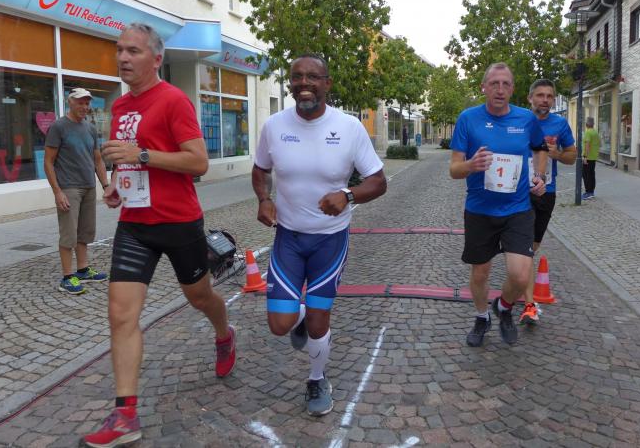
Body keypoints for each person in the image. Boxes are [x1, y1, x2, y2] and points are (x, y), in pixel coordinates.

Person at [83, 23, 235, 448]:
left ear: (156, 58)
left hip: (178, 221)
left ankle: (224, 334)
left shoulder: (173, 100)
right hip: (135, 225)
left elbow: (198, 162)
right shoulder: (119, 106)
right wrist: (117, 184)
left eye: (132, 51)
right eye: (119, 50)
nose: (123, 58)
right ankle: (125, 416)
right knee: (120, 315)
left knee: (200, 297)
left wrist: (143, 155)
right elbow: (126, 159)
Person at [253, 54, 387, 416]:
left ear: (327, 84)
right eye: (297, 77)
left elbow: (378, 181)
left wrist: (348, 195)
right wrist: (264, 199)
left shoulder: (348, 127)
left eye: (313, 77)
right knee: (280, 324)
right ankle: (297, 317)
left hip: (330, 239)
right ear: (290, 83)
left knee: (318, 319)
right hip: (289, 238)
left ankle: (316, 379)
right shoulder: (274, 126)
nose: (304, 83)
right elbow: (260, 169)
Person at [450, 62, 548, 348]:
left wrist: (540, 177)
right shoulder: (468, 119)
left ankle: (504, 307)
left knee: (520, 275)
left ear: (513, 89)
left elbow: (540, 149)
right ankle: (482, 317)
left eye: (506, 84)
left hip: (518, 209)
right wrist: (470, 164)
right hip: (480, 210)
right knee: (481, 273)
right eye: (494, 84)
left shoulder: (526, 119)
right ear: (484, 87)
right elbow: (454, 169)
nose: (500, 89)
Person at [521, 79, 576, 325]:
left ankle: (521, 286)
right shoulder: (518, 120)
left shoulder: (559, 124)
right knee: (523, 249)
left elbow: (572, 156)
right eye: (540, 95)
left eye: (549, 96)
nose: (545, 100)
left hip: (546, 192)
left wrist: (557, 154)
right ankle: (529, 303)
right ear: (530, 98)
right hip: (519, 191)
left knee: (532, 247)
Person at [44, 88, 110, 294]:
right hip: (69, 188)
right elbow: (48, 162)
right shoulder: (58, 127)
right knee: (68, 234)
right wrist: (57, 192)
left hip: (89, 186)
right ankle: (67, 277)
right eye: (80, 102)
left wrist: (106, 185)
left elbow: (97, 159)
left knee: (85, 232)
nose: (84, 106)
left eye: (87, 103)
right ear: (70, 102)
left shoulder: (90, 128)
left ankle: (82, 270)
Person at [582, 116, 600, 199]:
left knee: (586, 175)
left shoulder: (588, 133)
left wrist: (585, 156)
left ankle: (588, 192)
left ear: (586, 124)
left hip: (588, 157)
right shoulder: (596, 133)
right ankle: (591, 192)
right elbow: (600, 144)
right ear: (593, 124)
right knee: (592, 174)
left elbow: (587, 145)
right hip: (594, 157)